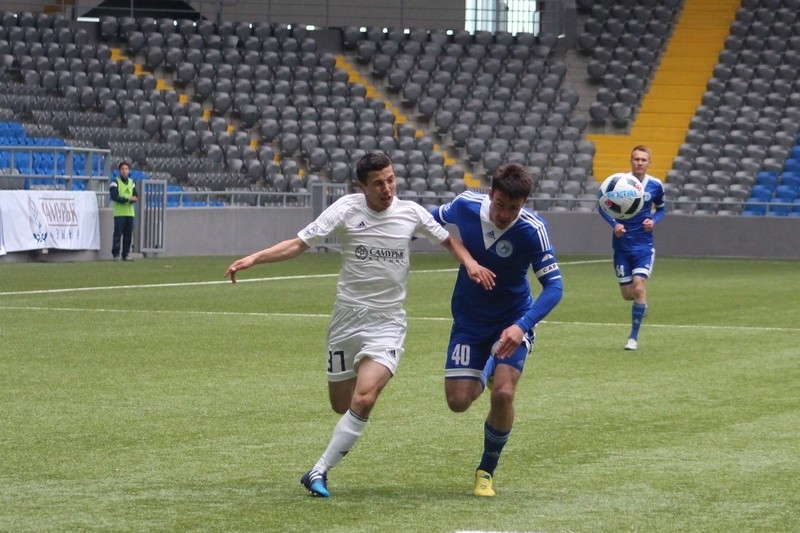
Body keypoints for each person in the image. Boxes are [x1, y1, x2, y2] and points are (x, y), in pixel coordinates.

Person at [224, 152, 495, 498]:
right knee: (342, 404)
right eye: (379, 183)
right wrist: (254, 258)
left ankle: (319, 470)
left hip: (388, 321)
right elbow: (299, 243)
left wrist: (470, 263)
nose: (387, 188)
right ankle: (334, 443)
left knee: (365, 398)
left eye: (391, 180)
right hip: (346, 320)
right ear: (362, 186)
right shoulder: (346, 210)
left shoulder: (410, 212)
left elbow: (448, 240)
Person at [430, 163, 563, 497]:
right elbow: (425, 220)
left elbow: (554, 288)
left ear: (524, 203)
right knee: (458, 401)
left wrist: (522, 326)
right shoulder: (465, 205)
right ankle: (489, 365)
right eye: (500, 204)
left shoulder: (533, 229)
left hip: (512, 320)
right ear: (490, 193)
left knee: (503, 393)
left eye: (513, 208)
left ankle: (486, 470)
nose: (504, 214)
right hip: (469, 321)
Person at [597, 145, 666, 350]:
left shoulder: (655, 185)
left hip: (644, 246)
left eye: (643, 160)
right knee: (628, 294)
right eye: (636, 159)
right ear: (631, 161)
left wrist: (653, 221)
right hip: (621, 246)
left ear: (649, 163)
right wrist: (614, 224)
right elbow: (602, 206)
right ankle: (641, 303)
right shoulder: (619, 183)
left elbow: (661, 209)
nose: (640, 163)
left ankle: (633, 338)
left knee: (639, 286)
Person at [109, 161, 138, 261]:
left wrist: (133, 198)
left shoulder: (131, 182)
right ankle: (116, 254)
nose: (124, 171)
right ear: (119, 171)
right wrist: (128, 199)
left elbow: (135, 195)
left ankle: (126, 254)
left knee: (128, 235)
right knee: (118, 234)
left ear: (129, 171)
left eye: (126, 169)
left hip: (130, 213)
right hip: (119, 213)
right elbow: (114, 196)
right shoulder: (115, 182)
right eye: (122, 169)